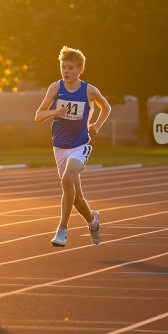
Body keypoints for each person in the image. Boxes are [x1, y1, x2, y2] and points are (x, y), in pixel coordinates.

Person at [34, 46, 111, 247]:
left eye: (70, 67)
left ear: (80, 69)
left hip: (80, 145)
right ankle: (93, 221)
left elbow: (106, 107)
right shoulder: (55, 88)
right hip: (60, 147)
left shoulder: (89, 90)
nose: (65, 71)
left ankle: (62, 230)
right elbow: (38, 116)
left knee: (68, 178)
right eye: (63, 67)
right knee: (76, 198)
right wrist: (54, 112)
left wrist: (97, 126)